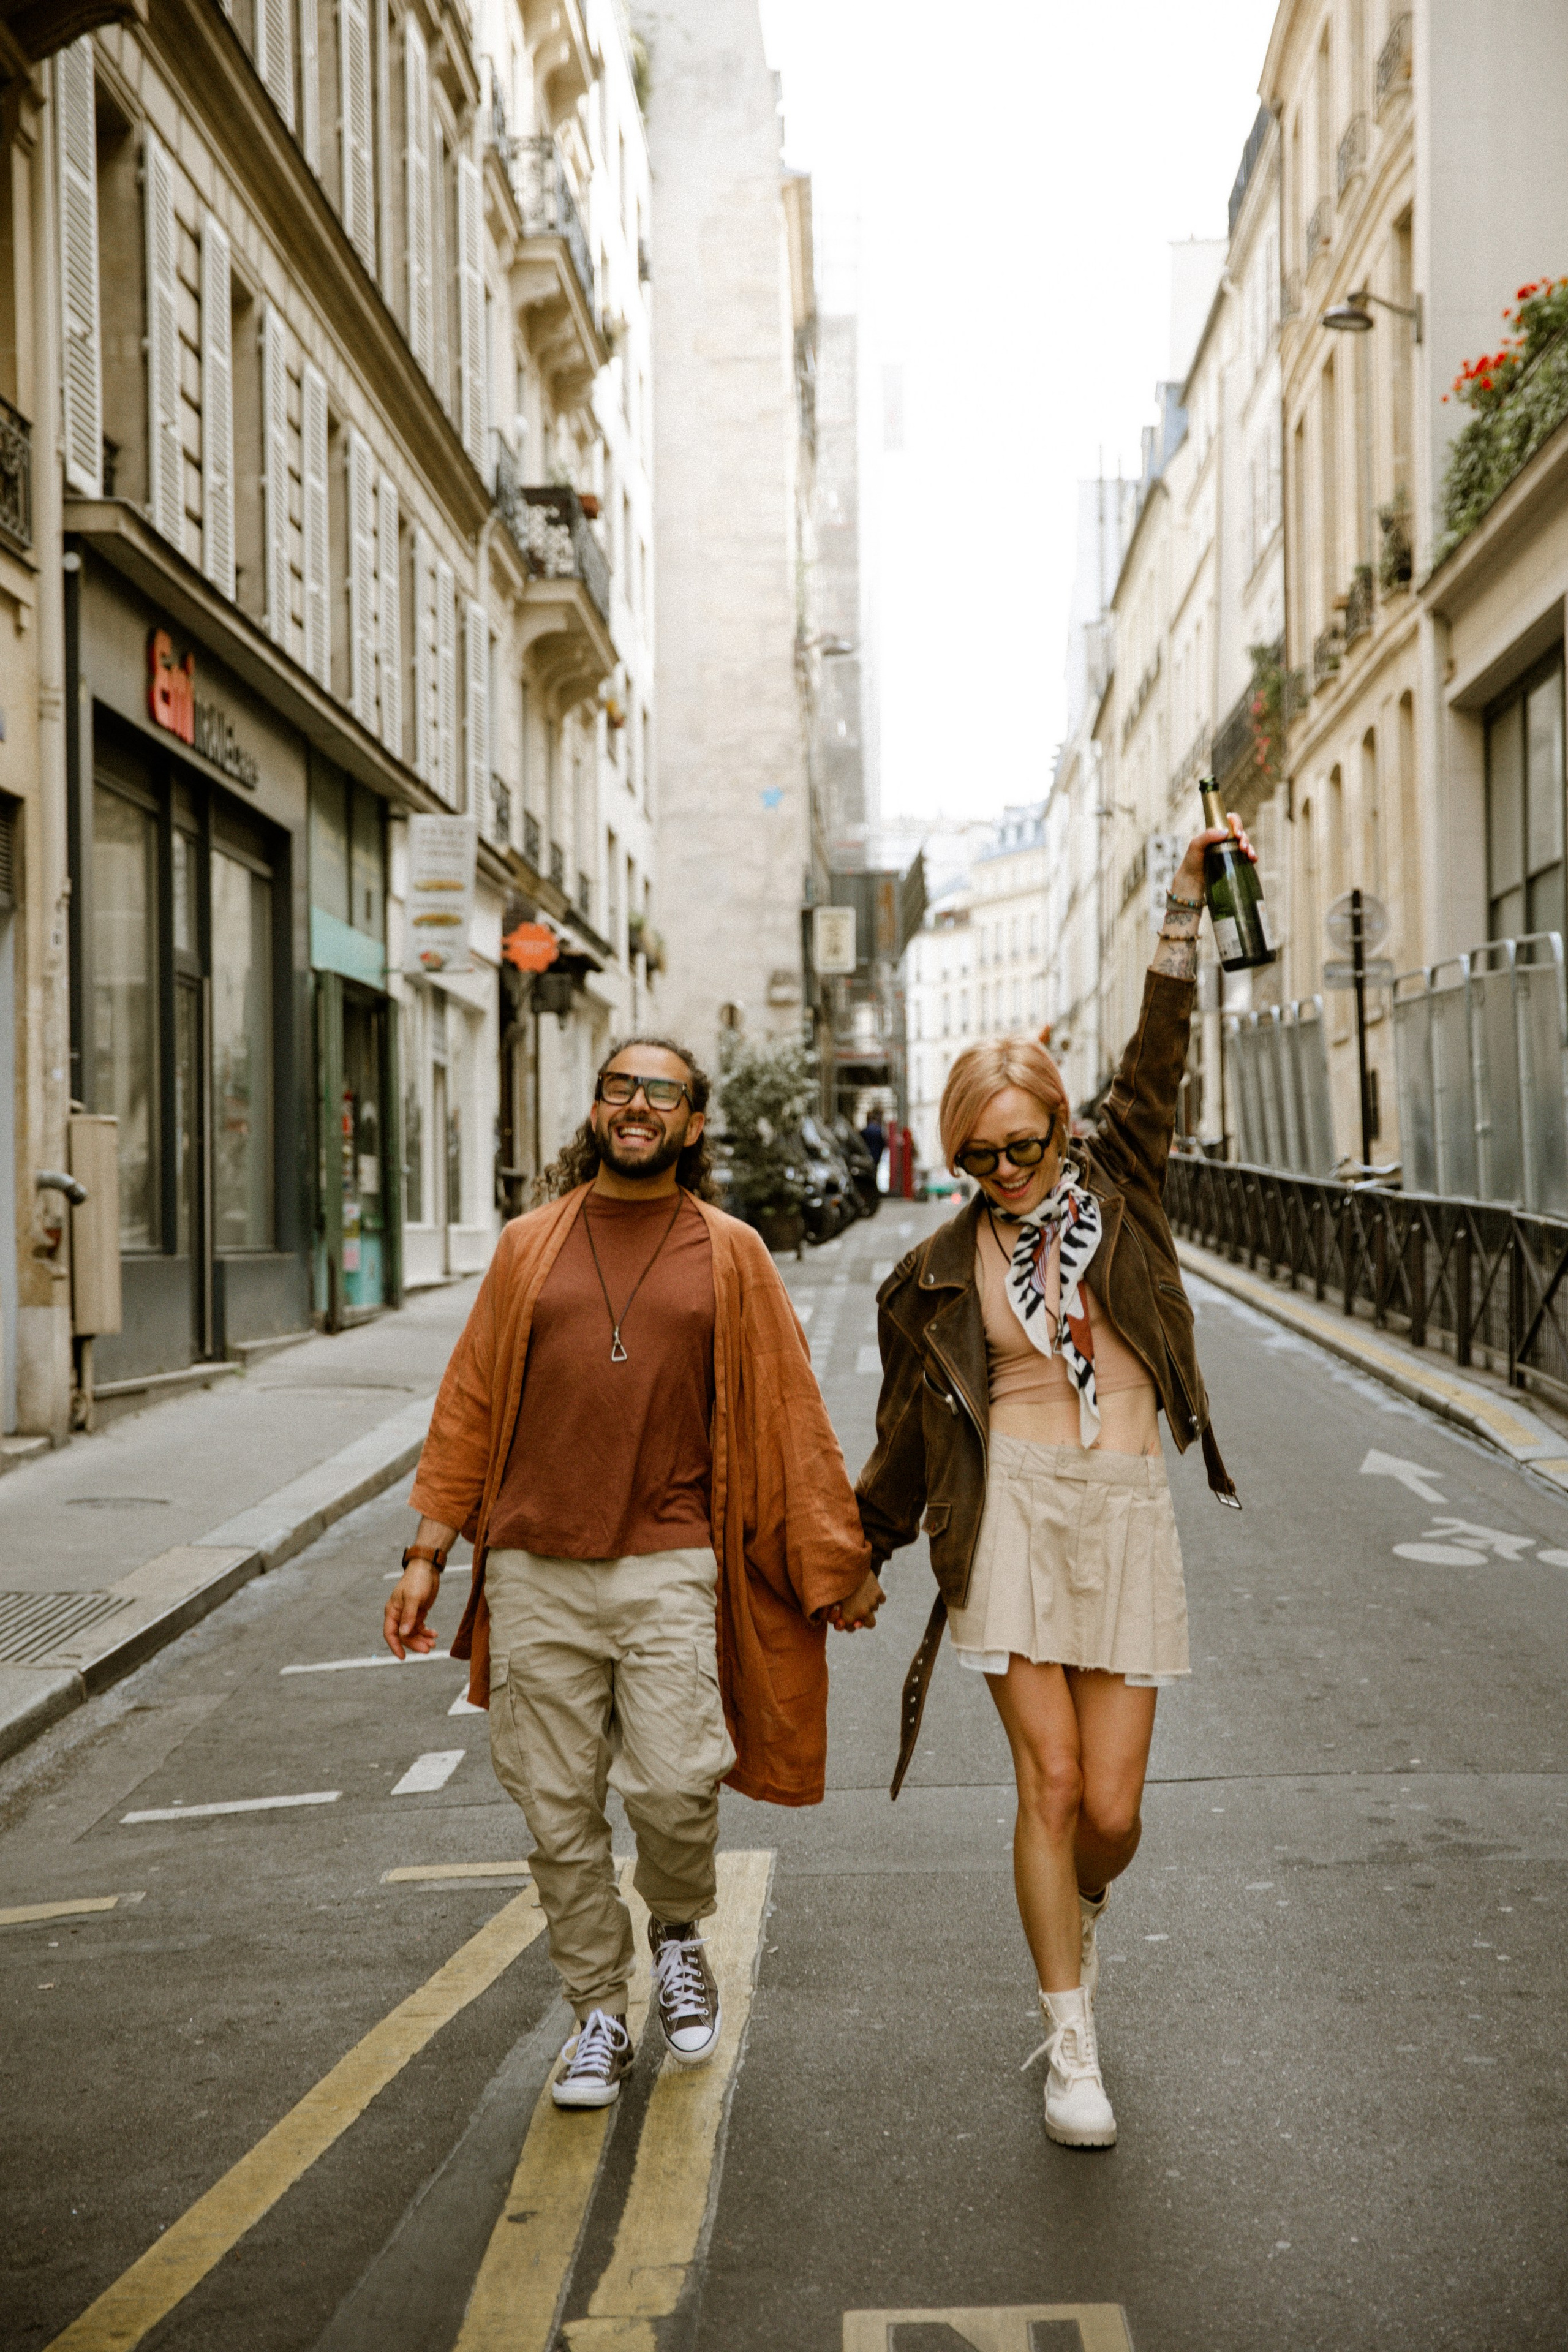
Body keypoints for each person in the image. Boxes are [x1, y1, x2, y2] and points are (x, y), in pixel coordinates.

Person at [385, 1036, 883, 2109]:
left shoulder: (732, 1252)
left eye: (663, 1091)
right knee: (555, 1808)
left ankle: (674, 1928)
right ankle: (598, 2011)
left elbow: (791, 1415)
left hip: (670, 1561)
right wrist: (428, 1553)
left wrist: (833, 1563)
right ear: (599, 1111)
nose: (639, 1104)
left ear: (694, 1124)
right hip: (531, 1566)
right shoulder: (529, 1247)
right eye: (621, 1087)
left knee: (671, 1785)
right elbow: (469, 1403)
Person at [854, 822, 1246, 2150]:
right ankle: (1069, 2038)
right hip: (1011, 1514)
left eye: (1021, 1149)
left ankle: (1079, 1910)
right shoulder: (926, 1276)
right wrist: (855, 1547)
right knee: (1050, 1787)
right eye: (978, 1161)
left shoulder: (1123, 1184)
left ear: (1060, 1128)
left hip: (1123, 1504)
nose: (1004, 1178)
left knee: (1114, 1814)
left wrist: (1182, 905)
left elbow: (1159, 1048)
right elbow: (909, 1438)